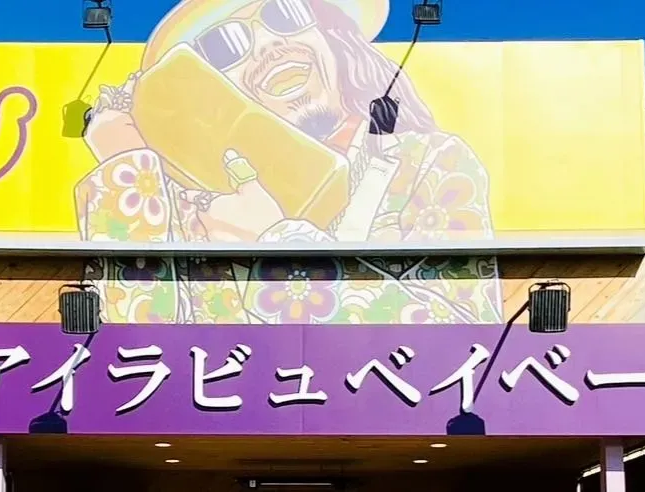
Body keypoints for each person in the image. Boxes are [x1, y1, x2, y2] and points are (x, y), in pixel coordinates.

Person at [74, 0, 501, 325]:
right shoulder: (195, 208)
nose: (269, 45)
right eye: (225, 45)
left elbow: (464, 333)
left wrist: (272, 240)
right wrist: (127, 166)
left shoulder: (428, 163)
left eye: (286, 13)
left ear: (333, 36)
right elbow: (131, 338)